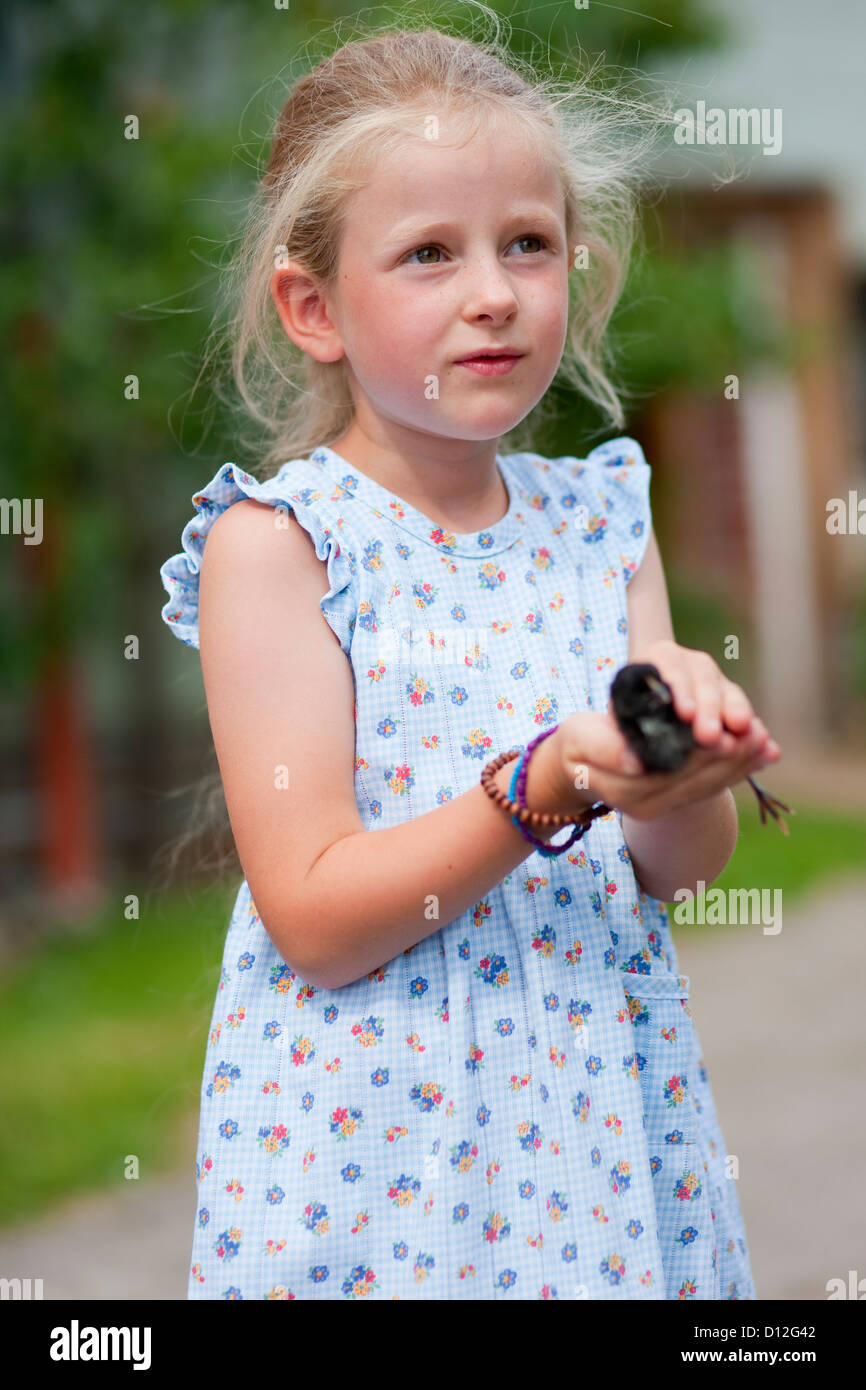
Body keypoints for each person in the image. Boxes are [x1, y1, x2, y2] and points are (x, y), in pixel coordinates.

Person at [159, 23, 779, 1301]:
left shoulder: (599, 521)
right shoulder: (279, 549)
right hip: (377, 1145)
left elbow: (676, 869)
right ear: (313, 307)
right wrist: (543, 784)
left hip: (594, 1121)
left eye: (526, 244)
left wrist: (681, 770)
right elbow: (318, 920)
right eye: (428, 254)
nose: (490, 291)